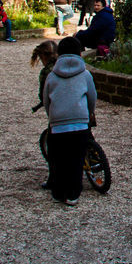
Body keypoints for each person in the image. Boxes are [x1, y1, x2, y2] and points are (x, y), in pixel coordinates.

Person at [42, 37, 97, 206]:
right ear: (80, 53)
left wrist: (52, 116)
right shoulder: (85, 74)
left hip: (58, 124)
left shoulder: (52, 75)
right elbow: (92, 97)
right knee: (76, 160)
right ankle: (73, 194)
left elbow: (46, 100)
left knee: (58, 159)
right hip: (80, 123)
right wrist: (88, 114)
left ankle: (58, 192)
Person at [30, 40, 58, 190]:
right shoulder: (69, 66)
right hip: (81, 110)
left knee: (53, 145)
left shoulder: (47, 72)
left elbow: (44, 95)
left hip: (60, 114)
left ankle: (53, 178)